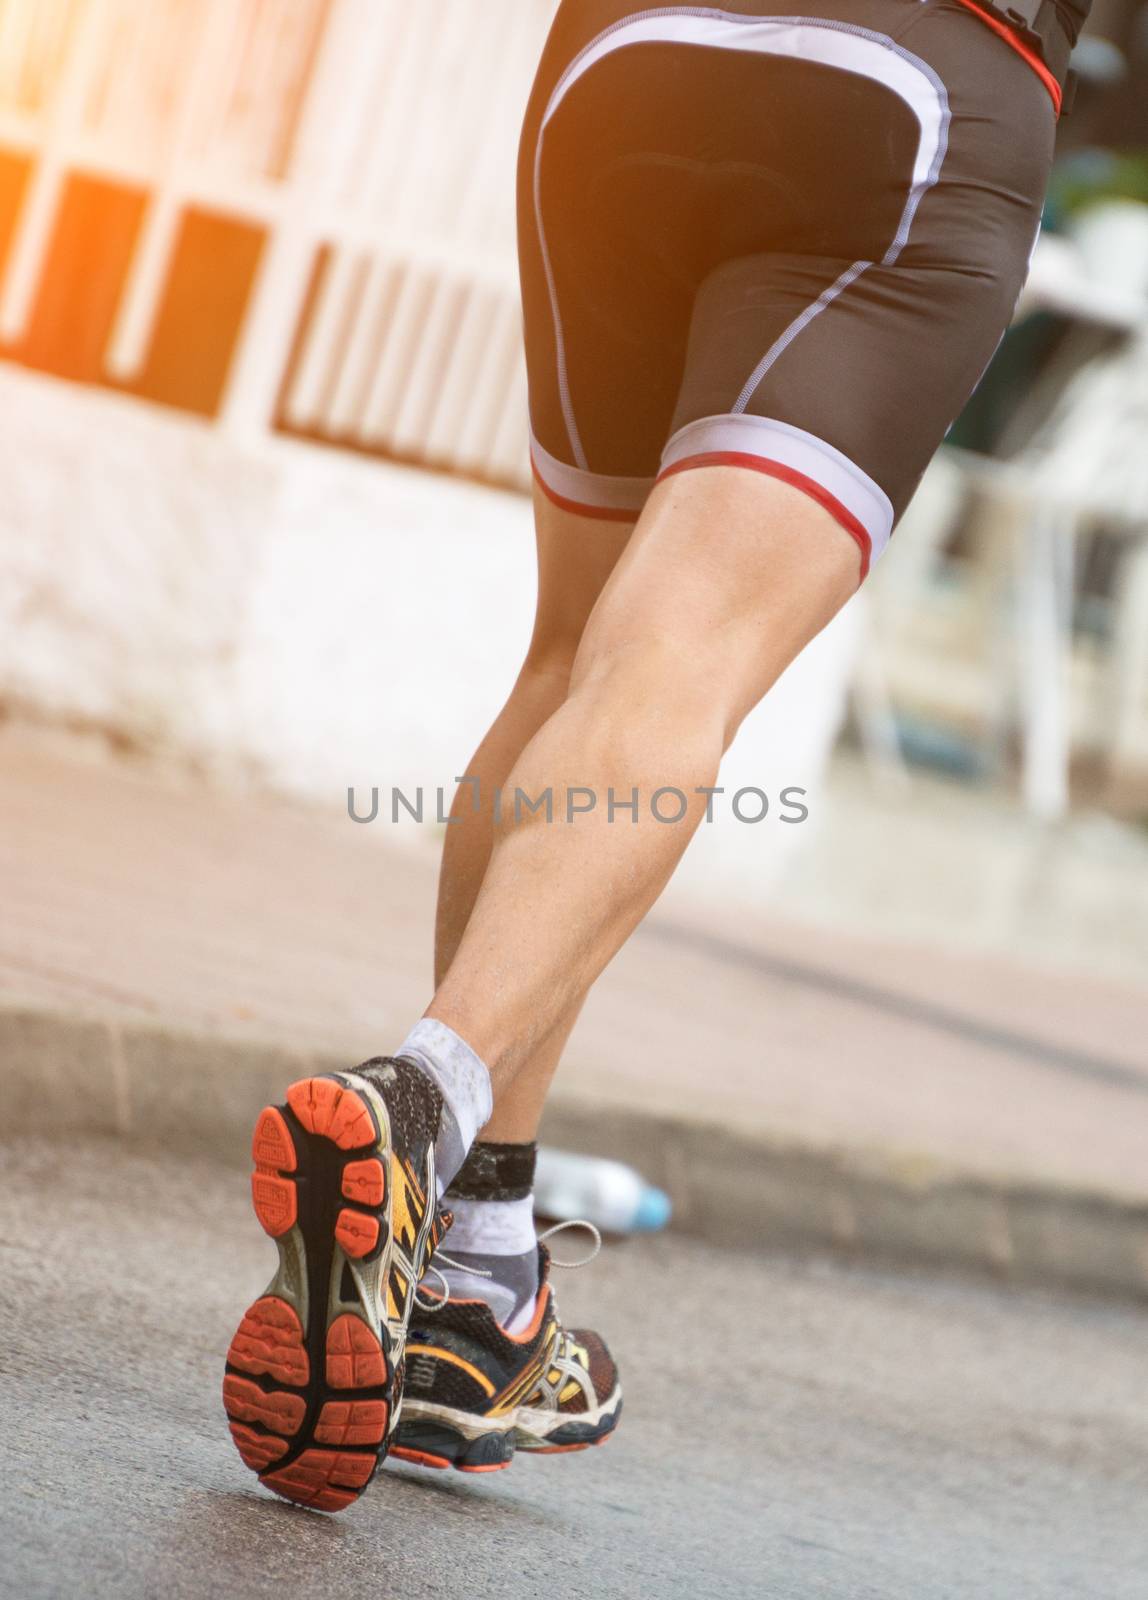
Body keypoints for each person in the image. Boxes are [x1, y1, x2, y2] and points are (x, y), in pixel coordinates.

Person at [223, 0, 1084, 1511]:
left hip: (627, 57)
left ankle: (474, 1281)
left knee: (573, 654)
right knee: (675, 654)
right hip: (916, 88)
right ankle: (425, 1100)